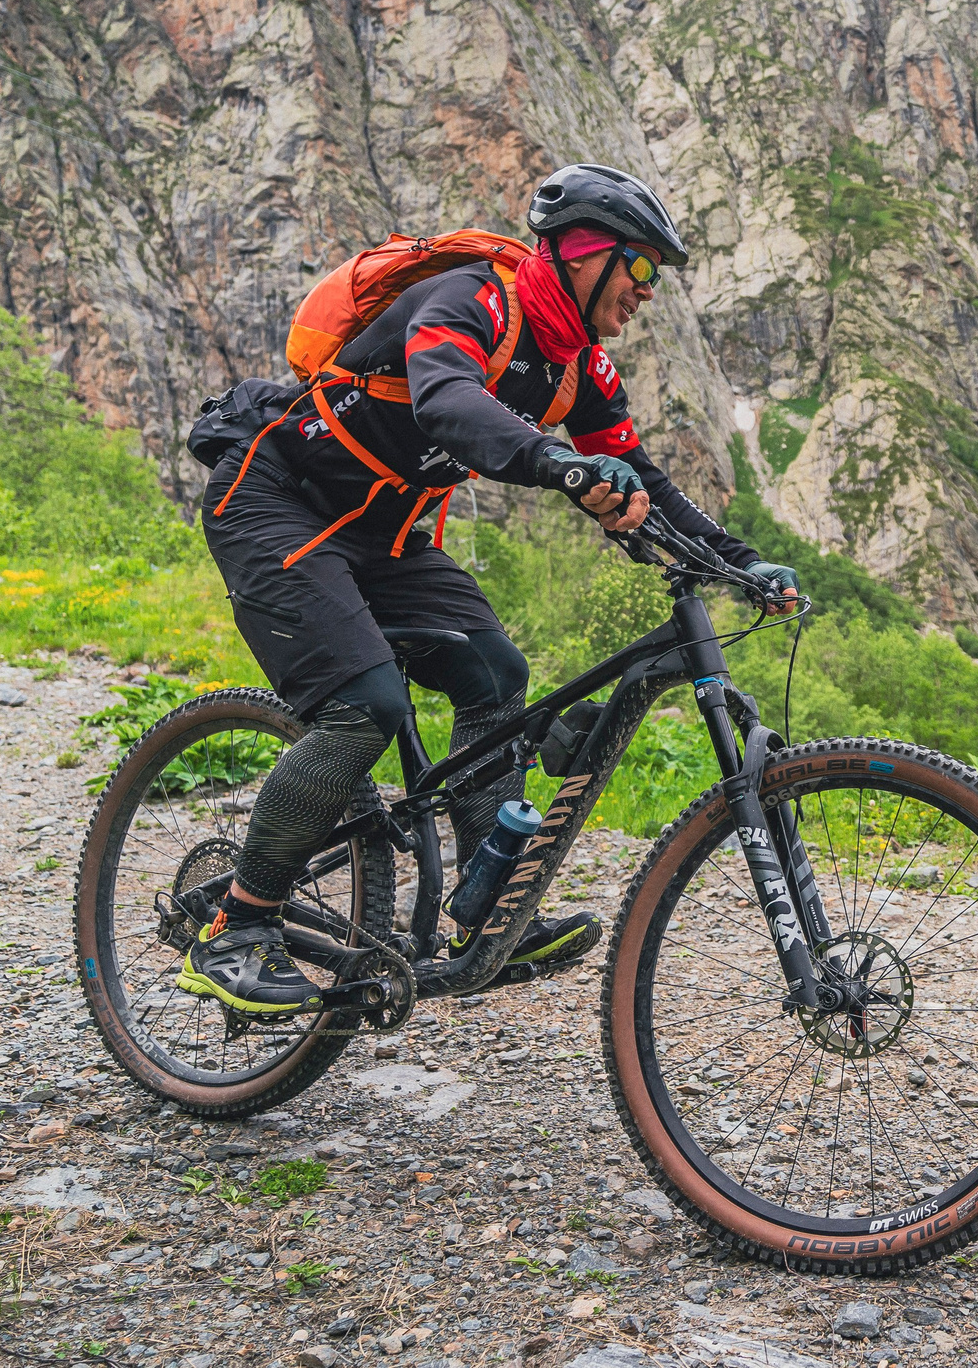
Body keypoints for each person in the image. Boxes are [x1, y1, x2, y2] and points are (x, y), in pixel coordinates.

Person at [184, 164, 798, 1015]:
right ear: (585, 252)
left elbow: (642, 472)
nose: (648, 292)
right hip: (275, 496)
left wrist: (740, 559)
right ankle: (236, 926)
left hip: (381, 531)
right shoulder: (471, 300)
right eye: (642, 268)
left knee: (495, 674)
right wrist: (559, 462)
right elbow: (448, 404)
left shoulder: (580, 367)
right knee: (367, 703)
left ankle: (482, 916)